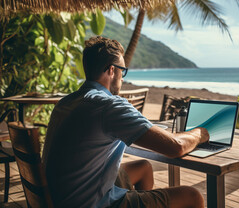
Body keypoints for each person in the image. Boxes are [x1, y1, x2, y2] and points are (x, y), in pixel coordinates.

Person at [42, 36, 210, 208]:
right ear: (112, 70)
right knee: (192, 196)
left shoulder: (67, 102)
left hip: (64, 196)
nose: (123, 78)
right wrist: (201, 133)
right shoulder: (108, 105)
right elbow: (176, 147)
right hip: (92, 203)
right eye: (123, 71)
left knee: (143, 167)